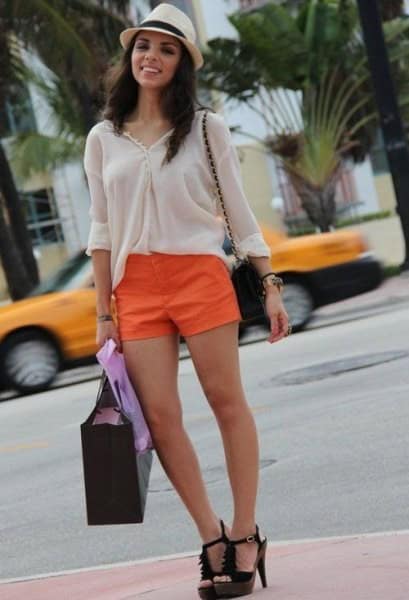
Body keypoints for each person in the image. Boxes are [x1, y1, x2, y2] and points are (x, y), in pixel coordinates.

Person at [84, 4, 289, 598]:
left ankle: (247, 533)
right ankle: (212, 538)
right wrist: (105, 312)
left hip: (199, 275)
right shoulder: (104, 137)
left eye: (166, 49)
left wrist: (269, 282)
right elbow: (99, 230)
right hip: (134, 289)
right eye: (143, 46)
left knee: (227, 402)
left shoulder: (205, 128)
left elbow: (240, 209)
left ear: (182, 65)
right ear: (130, 57)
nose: (151, 56)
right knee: (163, 421)